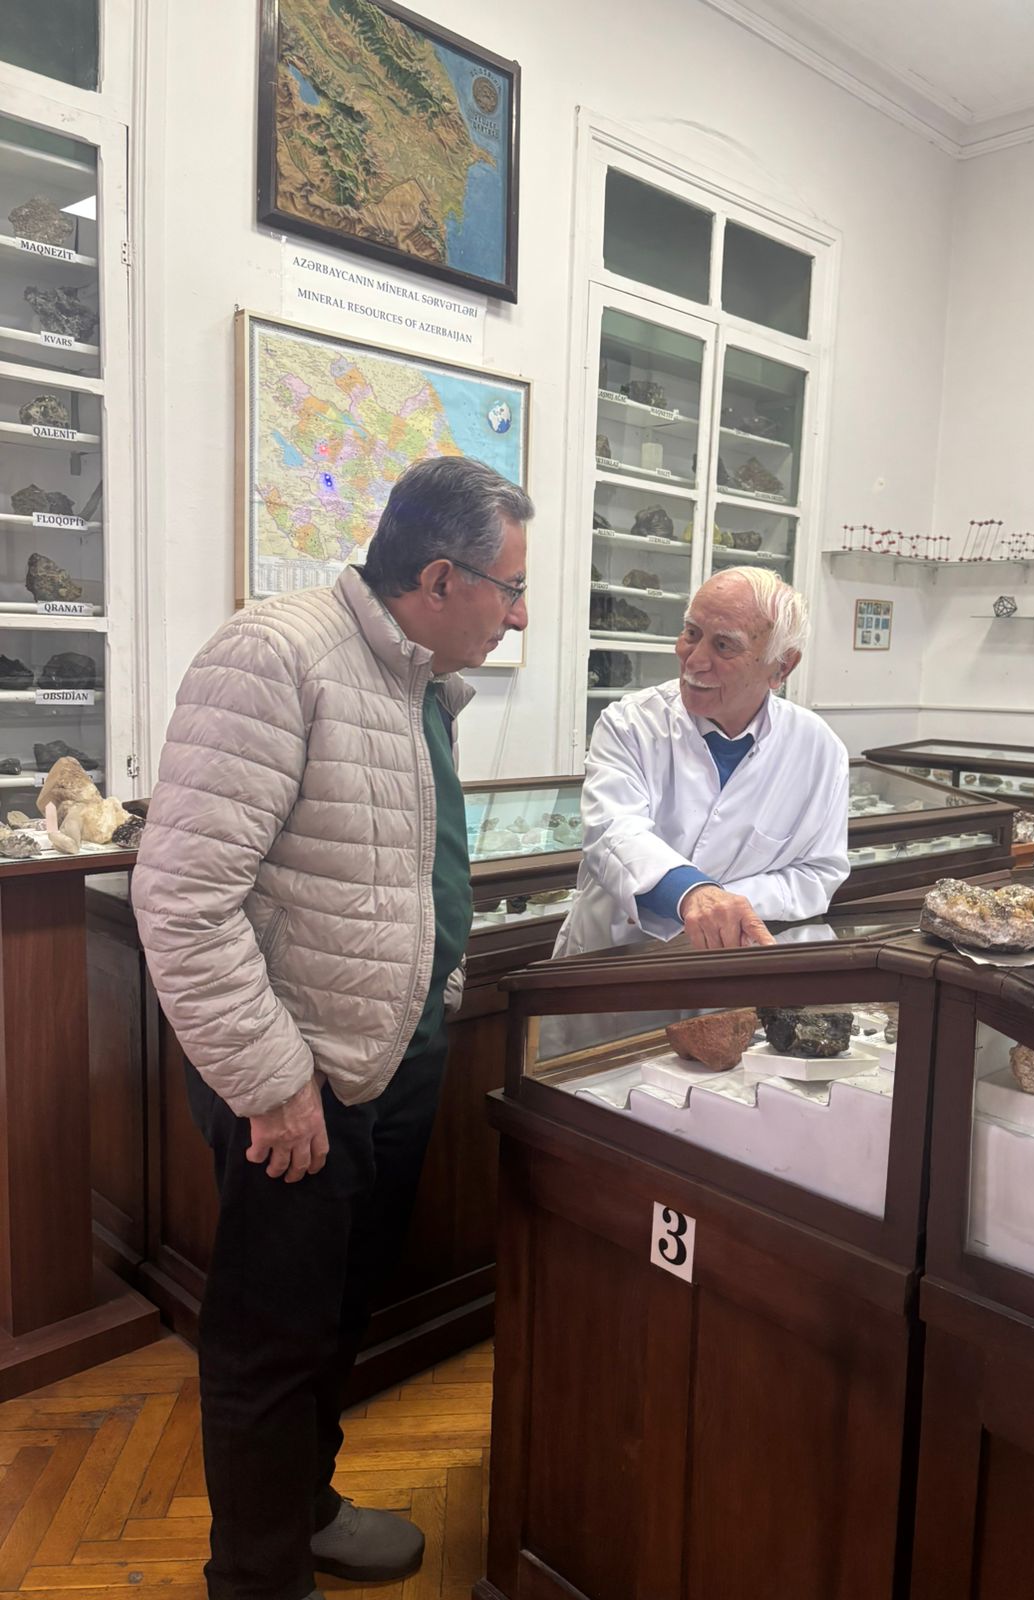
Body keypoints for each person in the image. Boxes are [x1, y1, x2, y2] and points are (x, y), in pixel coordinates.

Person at [131, 456, 533, 1600]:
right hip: (295, 1080)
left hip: (387, 1063)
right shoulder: (276, 655)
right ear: (440, 579)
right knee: (269, 1338)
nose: (519, 616)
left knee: (335, 1314)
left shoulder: (414, 679)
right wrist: (271, 1081)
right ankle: (257, 1580)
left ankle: (303, 1509)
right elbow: (183, 898)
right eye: (510, 589)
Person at [557, 566, 848, 958]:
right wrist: (693, 895)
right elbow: (614, 832)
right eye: (691, 633)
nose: (694, 660)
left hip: (731, 968)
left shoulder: (818, 749)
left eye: (724, 646)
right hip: (615, 960)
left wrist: (717, 902)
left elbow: (818, 873)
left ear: (782, 667)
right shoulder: (630, 724)